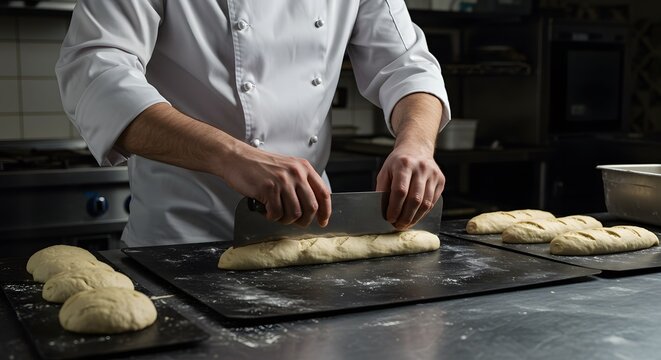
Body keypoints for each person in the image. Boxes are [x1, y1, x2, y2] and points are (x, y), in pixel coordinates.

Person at [56, 1, 451, 247]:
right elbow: (95, 74)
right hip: (180, 241)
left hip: (308, 234)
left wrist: (415, 144)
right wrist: (231, 155)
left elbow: (406, 66)